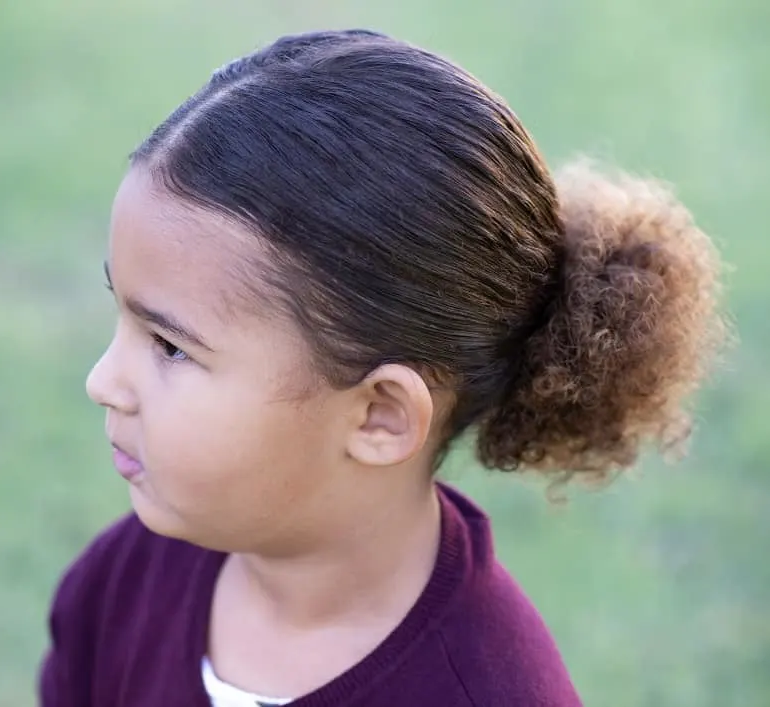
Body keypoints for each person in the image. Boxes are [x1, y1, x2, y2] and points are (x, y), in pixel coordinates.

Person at [39, 29, 726, 707]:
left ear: (381, 414)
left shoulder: (492, 691)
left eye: (169, 346)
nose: (104, 381)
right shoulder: (123, 584)